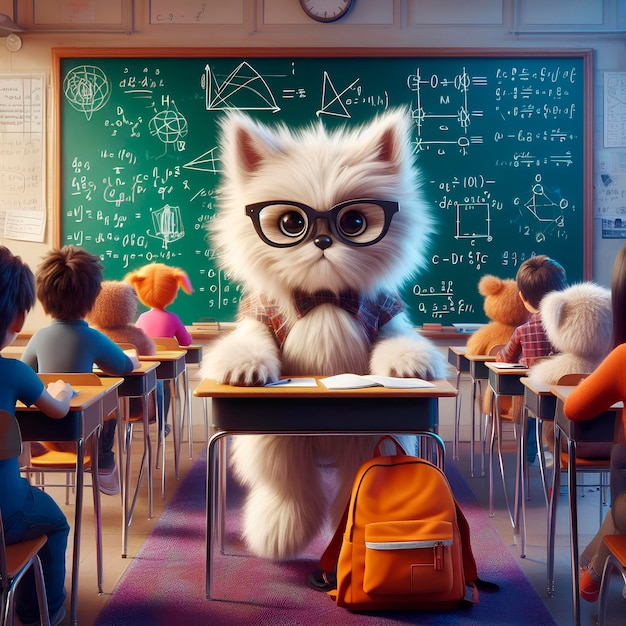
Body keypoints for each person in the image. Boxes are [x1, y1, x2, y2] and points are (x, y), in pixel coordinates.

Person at [21, 246, 139, 496]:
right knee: (110, 403)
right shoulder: (92, 337)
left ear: (42, 297)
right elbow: (122, 367)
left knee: (30, 398)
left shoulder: (38, 337)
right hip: (83, 437)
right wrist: (133, 359)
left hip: (42, 434)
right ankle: (105, 461)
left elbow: (25, 377)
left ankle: (30, 445)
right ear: (94, 298)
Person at [0, 245, 72, 626]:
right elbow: (57, 411)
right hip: (7, 515)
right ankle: (40, 611)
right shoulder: (12, 372)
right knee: (56, 520)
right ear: (15, 318)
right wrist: (63, 392)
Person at [564, 241, 626, 602]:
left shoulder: (621, 358)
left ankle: (592, 571)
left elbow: (574, 409)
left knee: (622, 504)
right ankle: (593, 571)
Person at [496, 255, 568, 462]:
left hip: (533, 399)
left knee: (529, 412)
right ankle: (556, 451)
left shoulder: (523, 330)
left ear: (523, 298)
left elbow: (505, 359)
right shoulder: (569, 329)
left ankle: (529, 455)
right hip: (565, 400)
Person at [125, 263, 193, 434]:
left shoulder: (141, 317)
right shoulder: (173, 318)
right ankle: (163, 425)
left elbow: (136, 342)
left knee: (154, 387)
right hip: (165, 368)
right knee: (165, 387)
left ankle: (139, 421)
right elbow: (186, 342)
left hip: (146, 368)